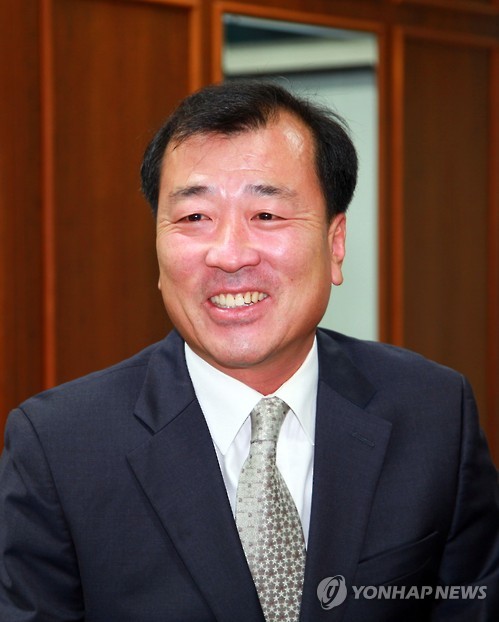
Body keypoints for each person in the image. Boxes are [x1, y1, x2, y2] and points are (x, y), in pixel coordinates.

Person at [0, 81, 498, 622]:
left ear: (335, 244)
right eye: (194, 218)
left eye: (266, 215)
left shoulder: (434, 412)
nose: (229, 254)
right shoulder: (58, 447)